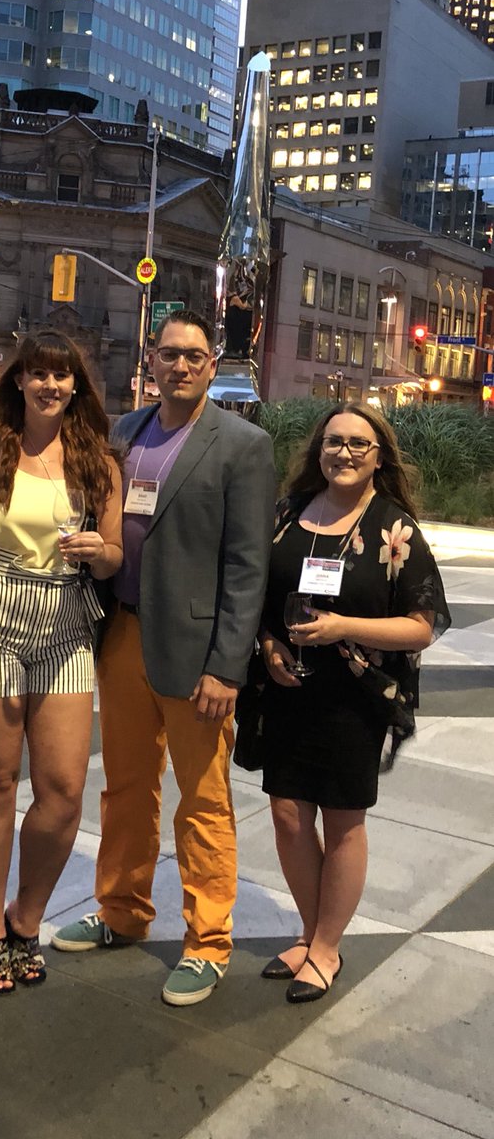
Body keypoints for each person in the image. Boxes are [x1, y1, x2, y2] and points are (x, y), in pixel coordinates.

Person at [52, 309, 276, 1007]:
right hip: (120, 632)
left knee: (202, 800)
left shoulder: (243, 445)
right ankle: (121, 908)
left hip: (194, 650)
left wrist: (227, 667)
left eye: (194, 356)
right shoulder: (125, 433)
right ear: (151, 360)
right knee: (124, 784)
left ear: (213, 366)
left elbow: (247, 567)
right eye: (168, 354)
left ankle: (207, 942)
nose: (180, 366)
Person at [0, 329, 123, 993]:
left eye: (63, 375)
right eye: (38, 373)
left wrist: (96, 553)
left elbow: (112, 553)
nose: (51, 384)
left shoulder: (96, 462)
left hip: (65, 622)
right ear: (16, 380)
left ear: (77, 384)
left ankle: (28, 916)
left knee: (63, 791)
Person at [255, 404, 449, 1004]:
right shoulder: (288, 515)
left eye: (358, 445)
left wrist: (345, 626)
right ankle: (311, 931)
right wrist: (267, 643)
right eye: (334, 441)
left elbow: (423, 626)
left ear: (379, 457)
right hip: (289, 687)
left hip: (355, 696)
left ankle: (328, 947)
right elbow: (264, 596)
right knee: (288, 814)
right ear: (318, 450)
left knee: (341, 820)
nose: (344, 453)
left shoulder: (396, 532)